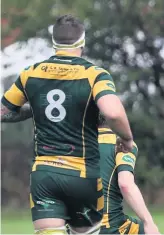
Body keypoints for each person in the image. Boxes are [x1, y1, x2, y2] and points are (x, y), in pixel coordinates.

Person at [1, 15, 134, 235]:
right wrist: (127, 139)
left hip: (44, 174)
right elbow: (113, 112)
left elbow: (4, 111)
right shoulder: (94, 74)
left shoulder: (30, 72)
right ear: (82, 42)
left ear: (54, 42)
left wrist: (35, 111)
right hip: (82, 175)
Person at [97, 116, 160, 234]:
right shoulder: (121, 143)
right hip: (109, 226)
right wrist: (149, 223)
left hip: (75, 227)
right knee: (147, 230)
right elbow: (126, 184)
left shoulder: (75, 145)